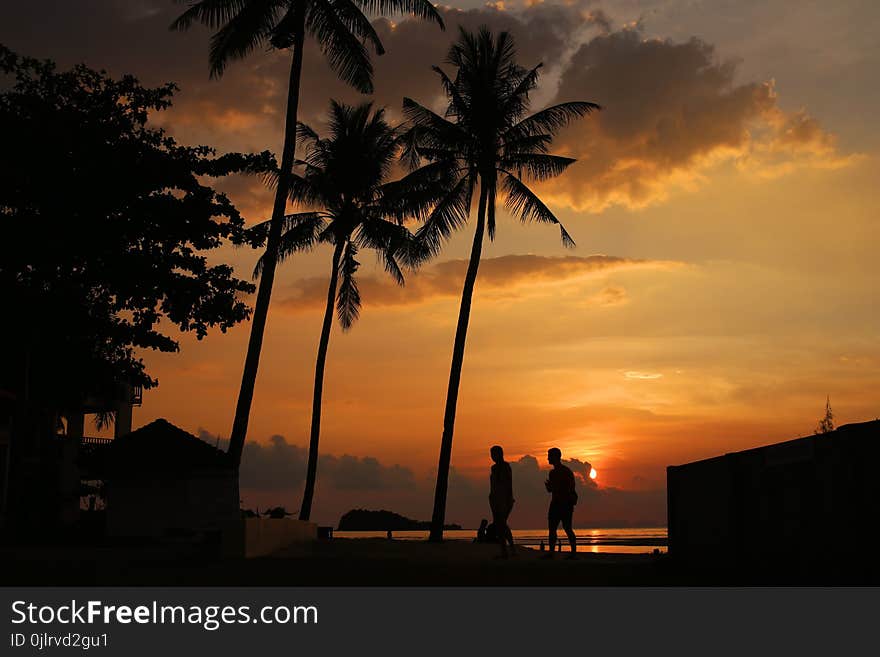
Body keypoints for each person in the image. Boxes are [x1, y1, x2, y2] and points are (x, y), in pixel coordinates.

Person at [544, 447, 578, 559]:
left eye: (549, 456)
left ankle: (573, 553)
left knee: (567, 528)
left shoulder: (565, 471)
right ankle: (552, 552)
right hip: (556, 502)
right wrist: (550, 488)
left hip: (565, 503)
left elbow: (568, 488)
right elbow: (553, 490)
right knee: (552, 528)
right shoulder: (552, 473)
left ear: (556, 457)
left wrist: (553, 488)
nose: (548, 458)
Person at [489, 445, 516, 557]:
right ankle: (508, 550)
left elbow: (507, 484)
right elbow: (494, 485)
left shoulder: (505, 467)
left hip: (504, 499)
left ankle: (506, 550)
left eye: (494, 454)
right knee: (501, 524)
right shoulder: (494, 468)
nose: (492, 457)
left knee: (501, 525)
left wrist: (508, 499)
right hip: (495, 499)